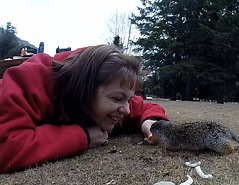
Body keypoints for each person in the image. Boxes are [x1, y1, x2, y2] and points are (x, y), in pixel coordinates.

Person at [0, 45, 169, 173]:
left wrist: (151, 123)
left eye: (129, 99)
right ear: (85, 89)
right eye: (117, 98)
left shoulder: (113, 100)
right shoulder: (28, 82)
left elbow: (145, 108)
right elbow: (6, 146)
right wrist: (83, 136)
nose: (126, 109)